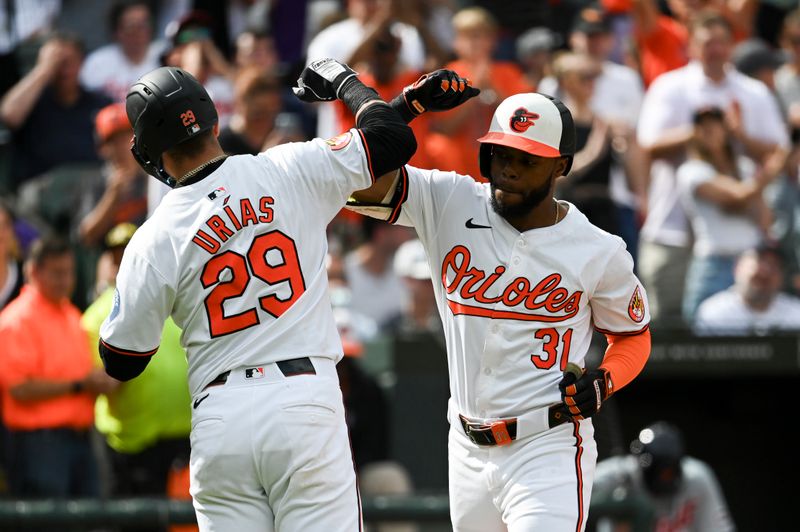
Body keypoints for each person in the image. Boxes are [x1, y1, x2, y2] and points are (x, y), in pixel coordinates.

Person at [97, 61, 476, 530]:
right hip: (304, 399)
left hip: (221, 415)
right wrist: (346, 82)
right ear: (212, 115)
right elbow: (388, 141)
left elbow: (122, 359)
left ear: (148, 149)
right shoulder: (285, 167)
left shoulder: (154, 238)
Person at [347, 82, 652, 529]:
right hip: (466, 446)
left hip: (545, 444)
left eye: (527, 160)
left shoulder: (598, 249)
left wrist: (605, 381)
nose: (509, 169)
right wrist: (400, 107)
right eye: (501, 155)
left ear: (560, 166)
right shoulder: (449, 199)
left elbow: (633, 335)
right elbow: (359, 179)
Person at [636, 11, 788, 326]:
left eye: (721, 43)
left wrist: (738, 135)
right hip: (672, 228)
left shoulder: (752, 92)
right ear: (691, 46)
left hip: (738, 242)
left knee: (741, 334)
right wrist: (702, 131)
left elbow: (779, 150)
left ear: (732, 46)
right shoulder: (669, 86)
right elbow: (648, 144)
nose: (715, 50)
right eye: (707, 43)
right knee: (670, 331)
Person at [82, 223, 191, 519]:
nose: (125, 262)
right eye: (118, 257)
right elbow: (100, 378)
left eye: (130, 253)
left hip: (186, 439)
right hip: (133, 442)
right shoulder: (97, 314)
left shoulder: (175, 294)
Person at [0, 235, 116, 499]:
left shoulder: (71, 315)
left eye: (69, 272)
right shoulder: (16, 320)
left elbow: (82, 371)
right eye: (57, 273)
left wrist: (100, 382)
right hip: (39, 444)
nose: (65, 281)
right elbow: (19, 388)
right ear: (33, 272)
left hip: (81, 440)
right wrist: (79, 386)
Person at [676, 107, 783, 321]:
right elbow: (738, 196)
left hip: (751, 266)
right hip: (714, 265)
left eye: (716, 125)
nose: (711, 131)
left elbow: (765, 219)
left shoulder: (745, 169)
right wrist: (777, 161)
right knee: (703, 338)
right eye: (704, 127)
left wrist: (755, 186)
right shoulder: (691, 171)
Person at [0, 32, 110, 190]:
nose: (63, 71)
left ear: (81, 62)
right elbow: (9, 116)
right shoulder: (32, 101)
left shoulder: (100, 103)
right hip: (41, 188)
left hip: (91, 184)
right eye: (56, 63)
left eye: (68, 62)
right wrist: (43, 70)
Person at [591, 421, 735, 531]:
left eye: (670, 471)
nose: (665, 476)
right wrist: (610, 502)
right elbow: (575, 493)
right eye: (661, 471)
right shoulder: (620, 475)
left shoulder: (696, 477)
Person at [695, 243, 800, 335]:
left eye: (775, 266)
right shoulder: (714, 313)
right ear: (737, 268)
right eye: (760, 261)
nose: (766, 271)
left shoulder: (796, 314)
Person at [80, 0, 163, 102]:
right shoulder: (97, 63)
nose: (138, 31)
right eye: (130, 26)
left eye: (143, 24)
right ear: (117, 31)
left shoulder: (165, 56)